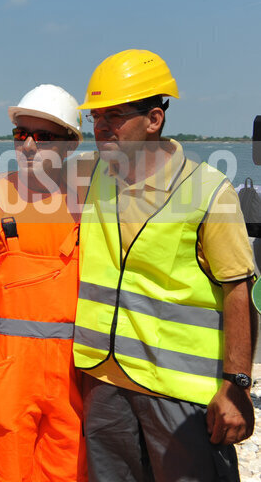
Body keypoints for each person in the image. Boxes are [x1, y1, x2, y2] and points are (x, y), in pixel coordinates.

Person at [72, 49, 256, 482]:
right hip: (105, 382)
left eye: (114, 115)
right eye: (95, 117)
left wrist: (238, 385)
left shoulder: (208, 191)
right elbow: (24, 180)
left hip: (181, 394)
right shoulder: (92, 174)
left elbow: (239, 291)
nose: (100, 126)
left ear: (154, 119)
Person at [0, 85, 87, 482]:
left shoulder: (94, 200)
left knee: (69, 472)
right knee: (6, 471)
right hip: (6, 370)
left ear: (70, 144)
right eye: (22, 134)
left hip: (75, 371)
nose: (30, 145)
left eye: (45, 136)